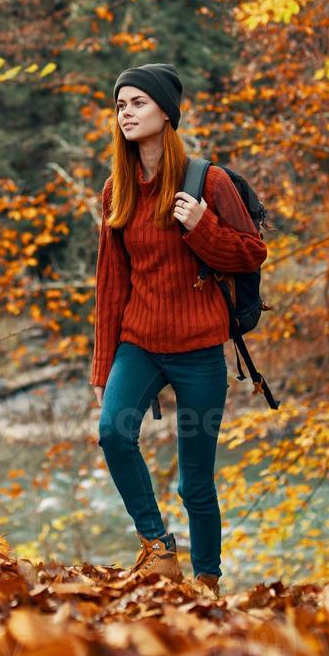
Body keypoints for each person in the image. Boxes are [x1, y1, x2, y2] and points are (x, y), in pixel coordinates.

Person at [90, 62, 267, 599]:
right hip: (139, 344)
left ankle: (208, 581)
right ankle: (158, 546)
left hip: (199, 352)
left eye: (138, 103)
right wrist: (103, 367)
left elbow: (251, 253)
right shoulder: (116, 191)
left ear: (167, 112)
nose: (127, 113)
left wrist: (200, 227)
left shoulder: (208, 182)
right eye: (121, 105)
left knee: (195, 482)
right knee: (113, 433)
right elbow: (110, 285)